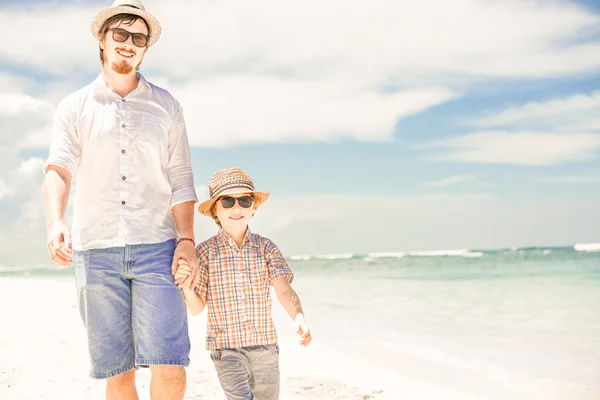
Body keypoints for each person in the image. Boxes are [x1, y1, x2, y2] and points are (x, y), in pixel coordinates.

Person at [42, 1, 198, 398]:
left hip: (158, 247)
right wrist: (55, 223)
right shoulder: (74, 106)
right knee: (118, 372)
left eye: (139, 38)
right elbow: (59, 169)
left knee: (170, 362)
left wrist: (187, 240)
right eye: (121, 34)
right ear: (103, 39)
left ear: (146, 48)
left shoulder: (167, 106)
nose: (129, 43)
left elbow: (181, 178)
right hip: (96, 250)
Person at [174, 167, 312, 400]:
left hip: (265, 346)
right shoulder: (205, 253)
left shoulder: (266, 248)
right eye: (227, 201)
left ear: (253, 207)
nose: (236, 208)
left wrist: (298, 316)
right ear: (215, 210)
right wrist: (187, 287)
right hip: (226, 349)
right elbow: (197, 308)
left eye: (244, 200)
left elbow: (283, 290)